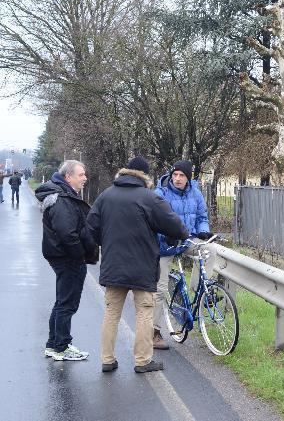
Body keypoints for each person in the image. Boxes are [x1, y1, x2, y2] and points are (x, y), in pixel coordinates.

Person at [87, 156, 189, 373]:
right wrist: (176, 236)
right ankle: (142, 361)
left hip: (113, 265)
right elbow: (176, 226)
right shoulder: (149, 198)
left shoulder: (106, 196)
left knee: (111, 312)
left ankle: (107, 359)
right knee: (144, 312)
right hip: (142, 266)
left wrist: (105, 243)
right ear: (145, 175)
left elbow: (90, 229)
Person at [35, 160, 98, 362]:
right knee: (67, 304)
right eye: (81, 175)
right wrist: (79, 255)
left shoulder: (64, 195)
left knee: (62, 302)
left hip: (62, 256)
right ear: (68, 177)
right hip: (68, 258)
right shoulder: (62, 199)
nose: (85, 178)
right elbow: (67, 233)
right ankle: (61, 346)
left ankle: (54, 345)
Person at [152, 159, 213, 350]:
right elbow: (153, 219)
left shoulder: (195, 193)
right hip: (165, 244)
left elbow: (202, 217)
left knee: (210, 250)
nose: (177, 179)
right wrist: (166, 234)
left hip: (187, 240)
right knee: (159, 290)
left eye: (182, 175)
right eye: (175, 175)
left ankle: (200, 289)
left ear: (188, 178)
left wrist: (203, 231)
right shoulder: (160, 193)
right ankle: (153, 332)